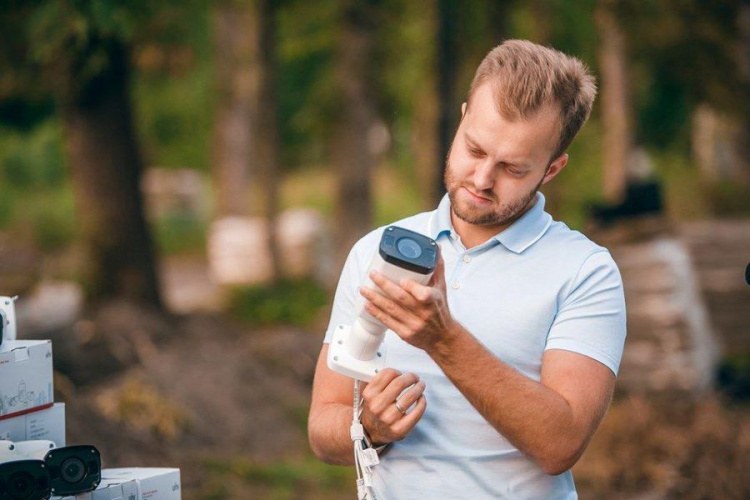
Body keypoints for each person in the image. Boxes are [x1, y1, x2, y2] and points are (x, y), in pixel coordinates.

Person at [308, 39, 627, 499]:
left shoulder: (586, 272)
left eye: (513, 168)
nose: (481, 179)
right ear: (461, 119)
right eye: (474, 149)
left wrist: (442, 338)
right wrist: (370, 427)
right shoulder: (375, 251)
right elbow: (323, 428)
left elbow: (561, 444)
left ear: (552, 169)